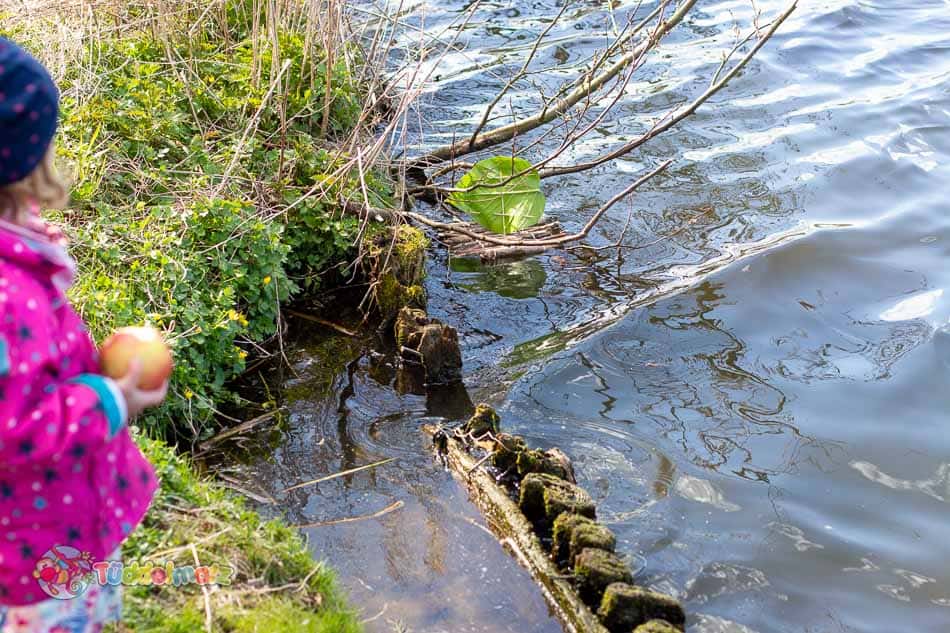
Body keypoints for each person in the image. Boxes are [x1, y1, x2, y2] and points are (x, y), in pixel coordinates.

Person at [0, 37, 167, 632]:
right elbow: (15, 427)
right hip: (39, 554)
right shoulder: (6, 296)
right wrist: (112, 398)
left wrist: (24, 244)